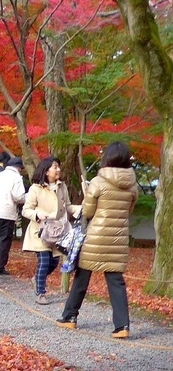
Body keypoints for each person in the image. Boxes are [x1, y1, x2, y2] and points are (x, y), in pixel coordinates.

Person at [58, 141, 139, 338]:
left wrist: (87, 196)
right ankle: (122, 326)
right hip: (118, 238)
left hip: (96, 237)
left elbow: (87, 211)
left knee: (82, 277)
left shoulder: (98, 182)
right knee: (116, 281)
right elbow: (128, 211)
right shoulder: (132, 186)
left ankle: (70, 317)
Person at [21, 156, 79, 304]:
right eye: (55, 167)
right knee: (44, 260)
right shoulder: (35, 188)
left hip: (57, 232)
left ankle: (37, 279)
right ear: (46, 171)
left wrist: (79, 209)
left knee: (54, 262)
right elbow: (26, 210)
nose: (58, 169)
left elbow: (67, 206)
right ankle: (41, 293)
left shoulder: (62, 187)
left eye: (58, 167)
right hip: (40, 231)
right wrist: (37, 215)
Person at [0, 156, 26, 275]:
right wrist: (26, 198)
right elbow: (18, 196)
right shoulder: (16, 178)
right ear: (18, 168)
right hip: (7, 213)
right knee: (4, 240)